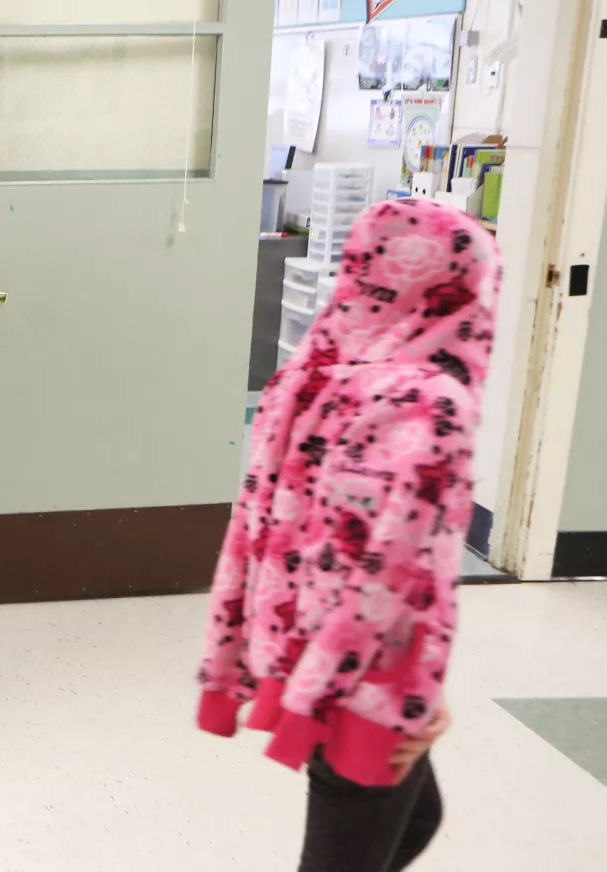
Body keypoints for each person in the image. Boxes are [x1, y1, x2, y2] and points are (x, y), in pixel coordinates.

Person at [197, 199, 500, 870]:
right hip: (366, 674)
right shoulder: (431, 403)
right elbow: (389, 572)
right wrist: (416, 694)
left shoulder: (316, 377)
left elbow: (270, 530)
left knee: (420, 815)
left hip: (303, 644)